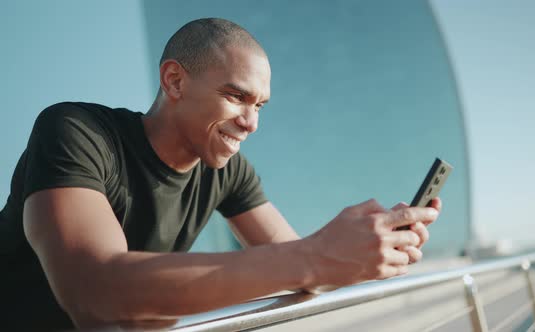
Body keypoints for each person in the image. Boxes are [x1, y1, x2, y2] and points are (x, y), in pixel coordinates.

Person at [0, 18, 441, 331]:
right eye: (236, 97)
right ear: (174, 81)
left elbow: (302, 264)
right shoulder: (78, 131)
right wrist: (318, 256)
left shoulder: (228, 172)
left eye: (259, 106)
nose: (251, 123)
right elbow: (93, 292)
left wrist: (372, 251)